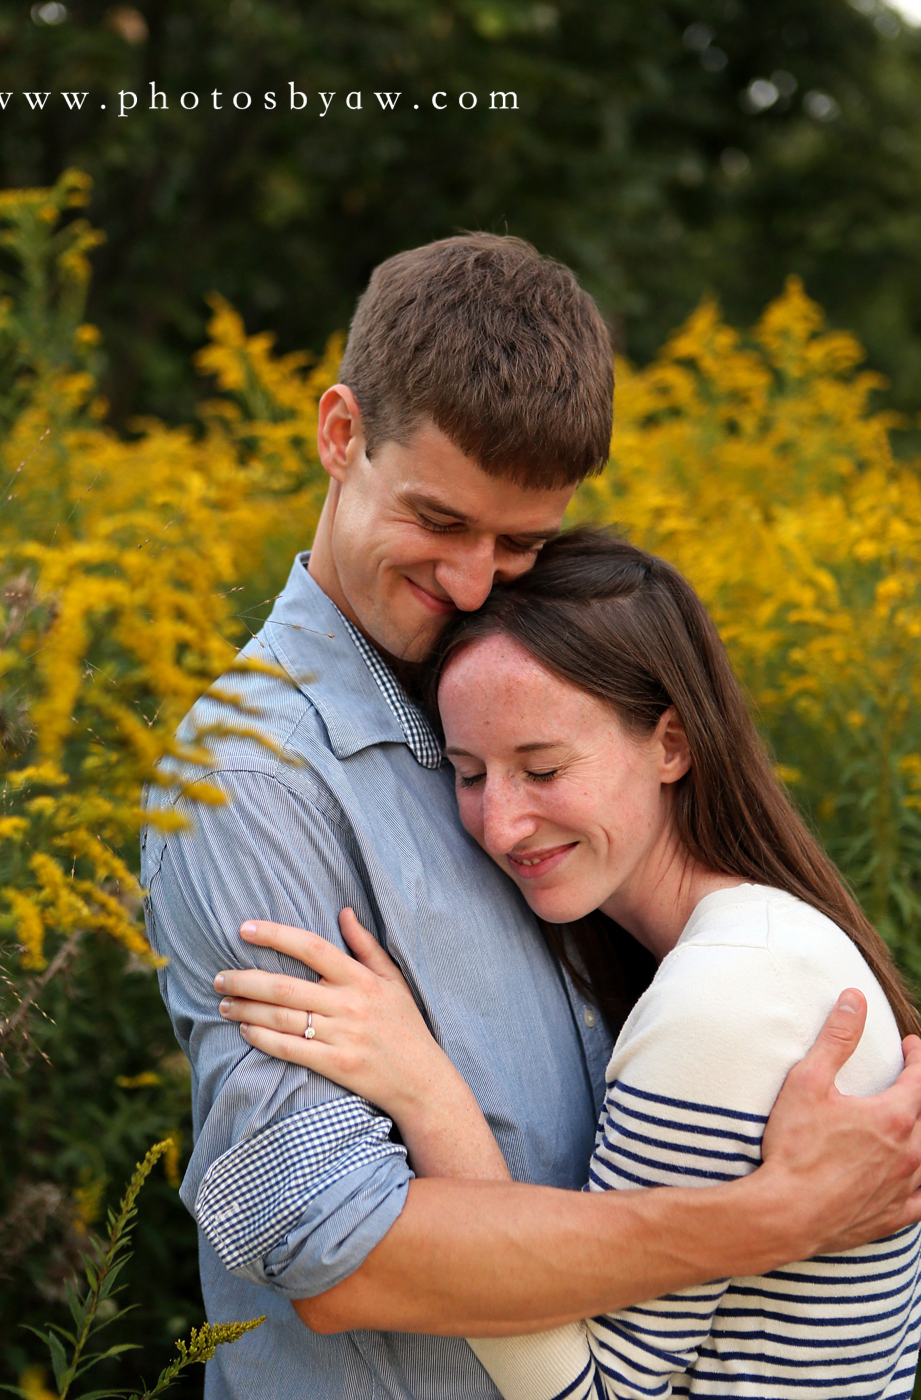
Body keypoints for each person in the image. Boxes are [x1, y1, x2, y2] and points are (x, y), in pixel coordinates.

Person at [142, 235, 921, 1400]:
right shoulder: (253, 776)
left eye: (519, 541)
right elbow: (333, 1248)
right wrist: (775, 1216)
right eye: (438, 520)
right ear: (340, 433)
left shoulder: (528, 684)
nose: (470, 580)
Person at [216, 528, 921, 1398]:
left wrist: (424, 1086)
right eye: (470, 775)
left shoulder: (724, 997)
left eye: (543, 768)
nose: (502, 825)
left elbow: (591, 1394)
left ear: (671, 744)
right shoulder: (761, 945)